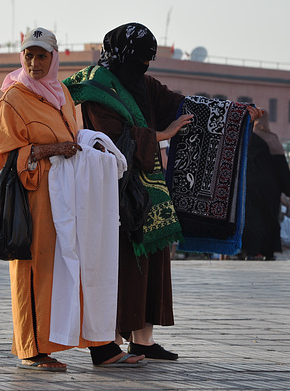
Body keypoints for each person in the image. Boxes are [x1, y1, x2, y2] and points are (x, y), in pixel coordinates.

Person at [65, 23, 263, 360]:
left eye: (148, 61)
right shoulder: (97, 86)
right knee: (119, 265)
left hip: (148, 188)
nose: (143, 67)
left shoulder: (143, 83)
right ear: (121, 55)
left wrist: (238, 114)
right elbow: (110, 138)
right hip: (111, 191)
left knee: (151, 263)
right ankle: (107, 341)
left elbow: (184, 106)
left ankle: (142, 340)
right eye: (139, 60)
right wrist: (160, 134)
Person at [0, 27, 144, 371]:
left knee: (80, 266)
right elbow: (4, 158)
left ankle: (100, 346)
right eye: (29, 55)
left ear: (54, 57)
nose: (34, 62)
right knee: (35, 271)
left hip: (69, 196)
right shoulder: (12, 99)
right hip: (34, 200)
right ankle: (31, 348)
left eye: (41, 55)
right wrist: (52, 150)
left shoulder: (60, 91)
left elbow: (73, 134)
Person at [240, 111, 290, 260]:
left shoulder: (246, 136)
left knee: (251, 219)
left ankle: (250, 251)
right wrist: (288, 190)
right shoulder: (272, 139)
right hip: (270, 189)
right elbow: (282, 167)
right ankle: (268, 251)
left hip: (248, 187)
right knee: (269, 218)